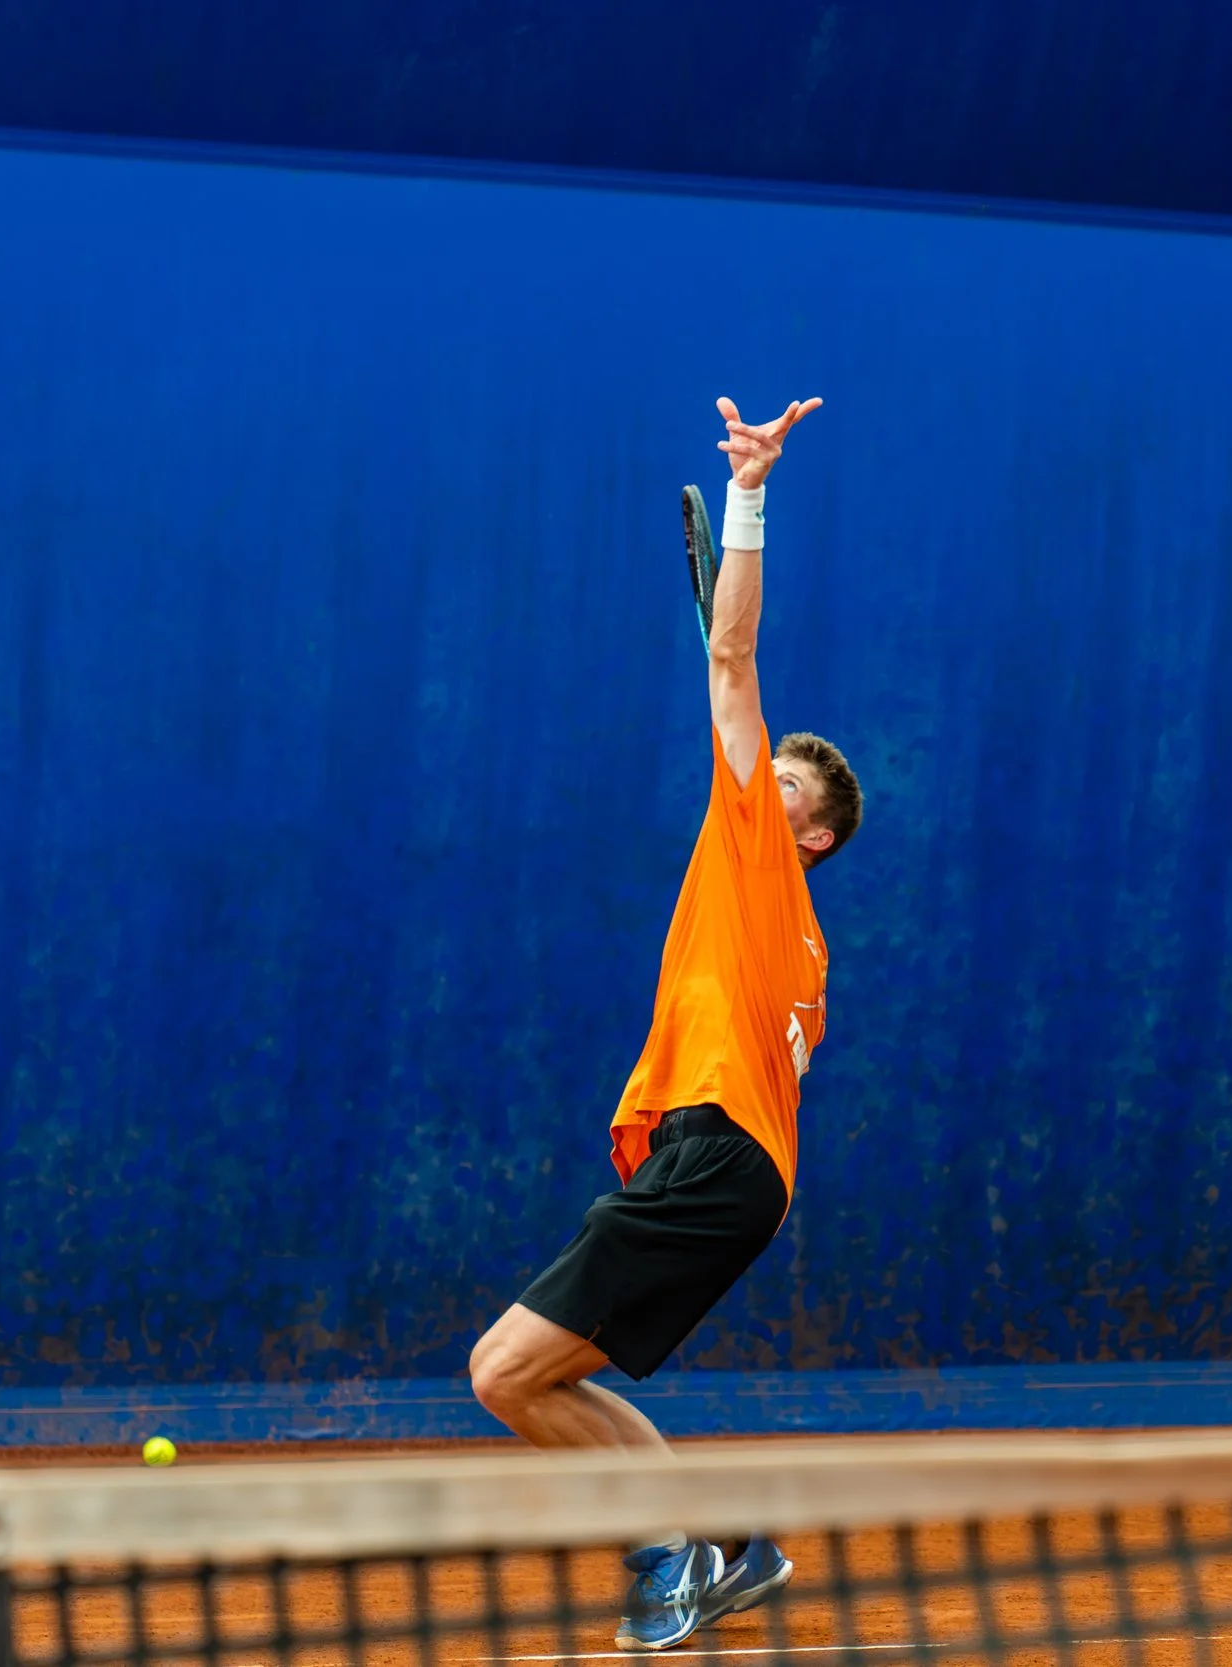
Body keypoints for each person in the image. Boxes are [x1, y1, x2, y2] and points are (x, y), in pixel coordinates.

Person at [467, 394, 866, 1651]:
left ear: (807, 833)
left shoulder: (766, 860)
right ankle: (700, 1545)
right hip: (734, 1166)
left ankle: (670, 1551)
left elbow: (732, 657)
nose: (752, 774)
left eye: (778, 783)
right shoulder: (789, 934)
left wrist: (751, 490)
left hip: (722, 1155)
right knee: (537, 1375)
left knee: (501, 1370)